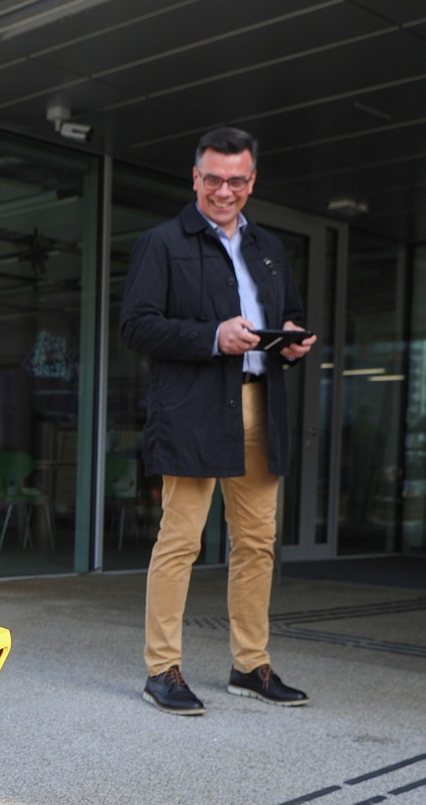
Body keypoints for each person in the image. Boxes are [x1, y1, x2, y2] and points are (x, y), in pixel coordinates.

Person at [122, 127, 316, 715]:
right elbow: (137, 326)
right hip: (195, 407)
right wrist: (213, 336)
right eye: (213, 179)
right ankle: (163, 669)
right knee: (181, 540)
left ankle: (251, 665)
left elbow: (289, 313)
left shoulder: (269, 247)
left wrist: (291, 340)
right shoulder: (162, 242)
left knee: (256, 542)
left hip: (260, 402)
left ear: (252, 181)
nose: (224, 191)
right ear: (195, 178)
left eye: (236, 180)